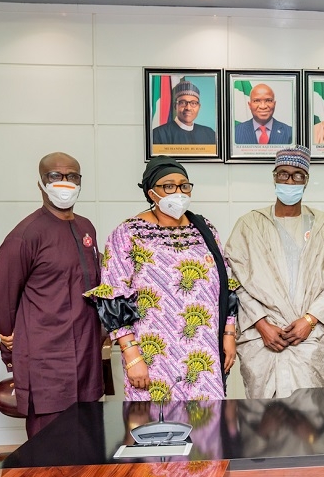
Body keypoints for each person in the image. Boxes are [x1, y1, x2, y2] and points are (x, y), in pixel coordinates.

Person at [85, 156, 237, 402]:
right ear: (151, 192)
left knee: (207, 429)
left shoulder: (204, 229)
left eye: (183, 185)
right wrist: (131, 355)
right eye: (168, 186)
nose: (178, 192)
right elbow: (113, 296)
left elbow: (226, 282)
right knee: (156, 429)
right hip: (152, 355)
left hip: (204, 351)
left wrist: (228, 335)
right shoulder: (128, 233)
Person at [0, 152, 104, 437]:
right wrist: (10, 344)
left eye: (72, 176)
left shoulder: (85, 227)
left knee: (88, 437)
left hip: (86, 351)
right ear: (41, 183)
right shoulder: (25, 236)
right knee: (51, 445)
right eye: (56, 176)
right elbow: (1, 299)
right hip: (47, 357)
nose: (64, 183)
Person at [226, 147, 324, 399]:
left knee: (312, 424)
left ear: (306, 181)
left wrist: (309, 320)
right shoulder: (249, 225)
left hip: (310, 339)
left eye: (297, 175)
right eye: (283, 174)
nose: (289, 180)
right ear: (274, 177)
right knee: (264, 424)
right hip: (263, 341)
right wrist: (261, 324)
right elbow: (236, 282)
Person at [152, 80, 217, 146]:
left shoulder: (210, 134)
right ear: (175, 106)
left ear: (199, 107)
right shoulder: (158, 134)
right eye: (183, 102)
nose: (188, 108)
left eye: (193, 103)